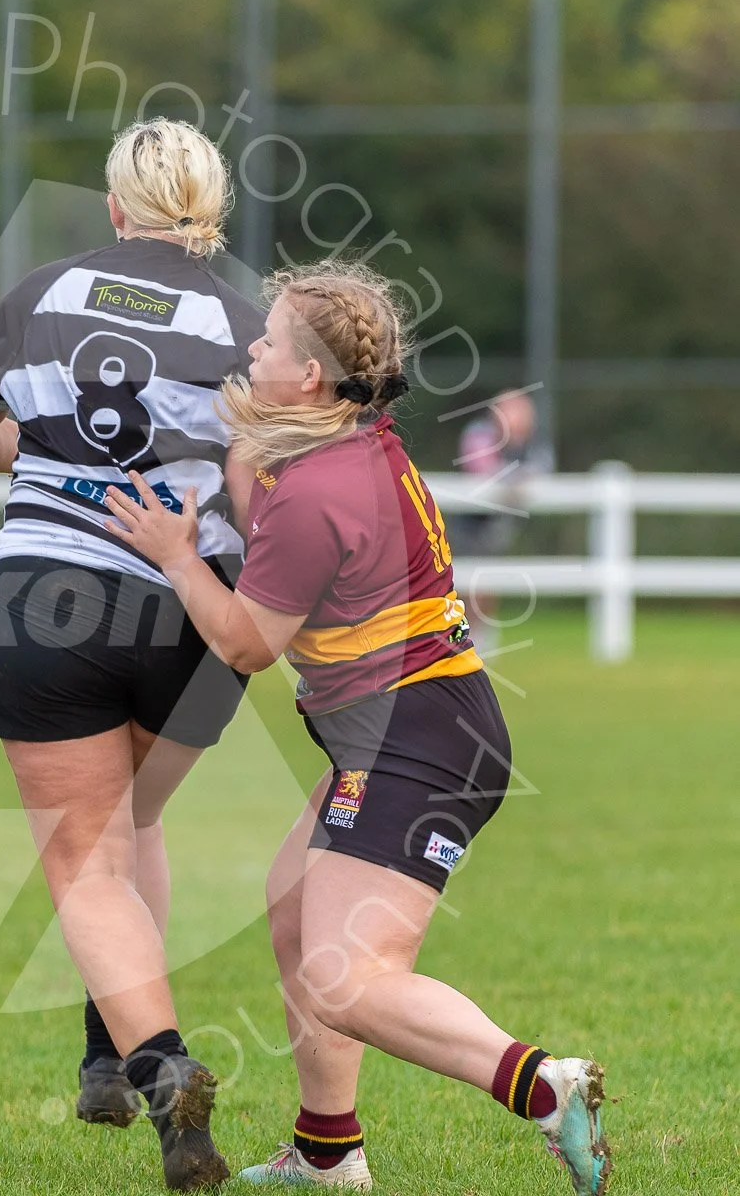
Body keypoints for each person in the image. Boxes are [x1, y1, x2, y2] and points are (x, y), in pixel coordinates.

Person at [102, 260, 610, 1195]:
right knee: (295, 912)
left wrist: (178, 557)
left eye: (268, 340)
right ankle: (329, 1152)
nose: (250, 347)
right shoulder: (347, 441)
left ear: (308, 377)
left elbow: (248, 643)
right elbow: (273, 515)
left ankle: (545, 1087)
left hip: (418, 741)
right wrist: (242, 447)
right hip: (411, 728)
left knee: (346, 976)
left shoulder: (320, 487)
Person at [0, 117, 264, 1192]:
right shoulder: (247, 323)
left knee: (83, 855)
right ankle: (105, 1055)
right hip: (186, 604)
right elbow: (262, 488)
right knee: (134, 824)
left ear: (115, 206)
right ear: (208, 212)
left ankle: (160, 1067)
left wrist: (59, 465)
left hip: (47, 598)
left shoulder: (33, 297)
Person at [450, 389, 551, 649]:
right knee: (466, 583)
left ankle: (481, 640)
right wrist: (515, 479)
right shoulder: (479, 434)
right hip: (470, 519)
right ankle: (465, 637)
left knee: (487, 580)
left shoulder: (529, 444)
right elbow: (480, 468)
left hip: (499, 521)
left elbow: (541, 469)